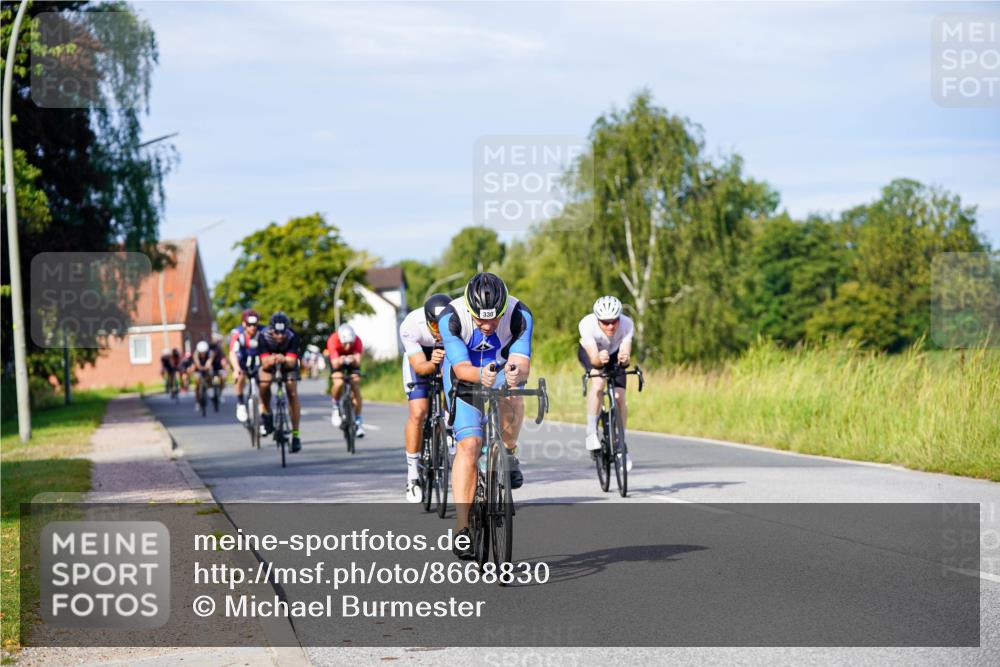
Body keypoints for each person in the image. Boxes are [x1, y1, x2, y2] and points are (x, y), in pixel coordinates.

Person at [438, 273, 533, 560]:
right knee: (469, 444)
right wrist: (481, 376)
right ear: (469, 309)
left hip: (500, 370)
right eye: (481, 320)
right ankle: (463, 527)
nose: (489, 326)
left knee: (513, 394)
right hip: (464, 375)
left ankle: (508, 452)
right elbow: (461, 369)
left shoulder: (520, 314)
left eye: (495, 319)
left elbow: (522, 363)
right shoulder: (451, 317)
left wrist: (513, 374)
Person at [399, 293, 451, 502]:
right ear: (428, 321)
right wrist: (432, 363)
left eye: (444, 327)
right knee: (419, 411)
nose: (440, 333)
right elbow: (420, 367)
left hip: (447, 353)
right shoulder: (411, 324)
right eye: (436, 328)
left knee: (455, 387)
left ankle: (448, 427)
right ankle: (412, 474)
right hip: (419, 357)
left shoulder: (459, 319)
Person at [578, 295, 634, 470]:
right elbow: (594, 360)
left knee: (619, 396)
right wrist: (598, 359)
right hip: (592, 353)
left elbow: (625, 357)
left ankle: (620, 441)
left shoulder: (627, 324)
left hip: (614, 354)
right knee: (599, 384)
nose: (610, 326)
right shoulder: (587, 325)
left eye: (614, 321)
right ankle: (591, 430)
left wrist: (624, 359)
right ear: (598, 319)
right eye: (605, 322)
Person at [258, 312, 303, 452]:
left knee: (292, 392)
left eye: (282, 333)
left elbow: (291, 362)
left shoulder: (292, 336)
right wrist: (272, 360)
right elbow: (264, 363)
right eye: (276, 333)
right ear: (271, 330)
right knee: (264, 384)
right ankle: (267, 412)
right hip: (270, 364)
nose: (280, 336)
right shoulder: (263, 336)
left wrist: (282, 359)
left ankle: (296, 435)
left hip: (288, 365)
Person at [326, 323, 365, 437]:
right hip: (338, 362)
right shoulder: (333, 340)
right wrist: (341, 359)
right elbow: (335, 363)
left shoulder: (357, 341)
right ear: (340, 339)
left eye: (350, 343)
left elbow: (358, 361)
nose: (348, 346)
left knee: (355, 384)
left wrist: (352, 359)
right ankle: (335, 406)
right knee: (339, 382)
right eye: (345, 343)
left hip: (352, 363)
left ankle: (358, 420)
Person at [229, 309, 261, 422]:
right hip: (242, 362)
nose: (252, 327)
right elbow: (232, 352)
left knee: (264, 384)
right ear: (244, 324)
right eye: (249, 325)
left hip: (258, 361)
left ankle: (264, 415)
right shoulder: (237, 333)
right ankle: (240, 403)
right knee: (240, 376)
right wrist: (236, 368)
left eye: (255, 324)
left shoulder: (263, 331)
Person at [190, 340, 217, 411]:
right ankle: (197, 402)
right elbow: (197, 363)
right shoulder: (196, 353)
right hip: (199, 368)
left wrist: (207, 367)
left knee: (210, 375)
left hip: (207, 367)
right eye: (201, 353)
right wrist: (199, 367)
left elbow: (209, 362)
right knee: (197, 383)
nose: (203, 354)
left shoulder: (210, 353)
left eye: (204, 352)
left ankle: (210, 388)